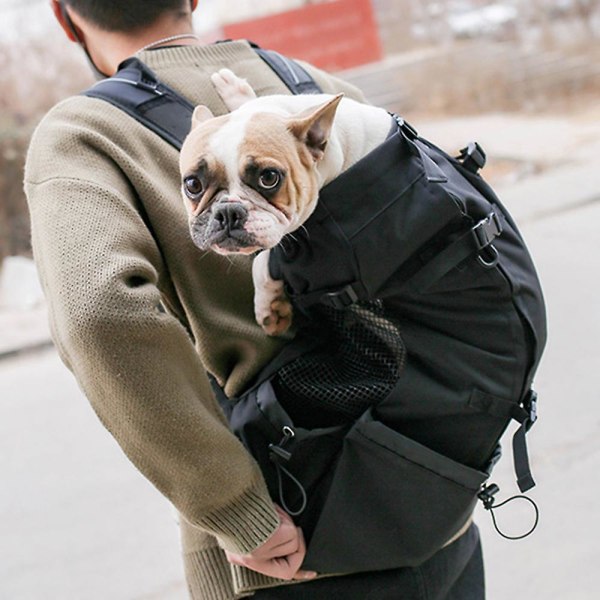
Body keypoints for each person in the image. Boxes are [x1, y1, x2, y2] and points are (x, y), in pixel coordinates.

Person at [25, 1, 485, 598]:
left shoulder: (83, 134)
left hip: (287, 548)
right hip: (433, 504)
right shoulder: (318, 91)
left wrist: (234, 507)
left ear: (65, 17)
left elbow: (99, 311)